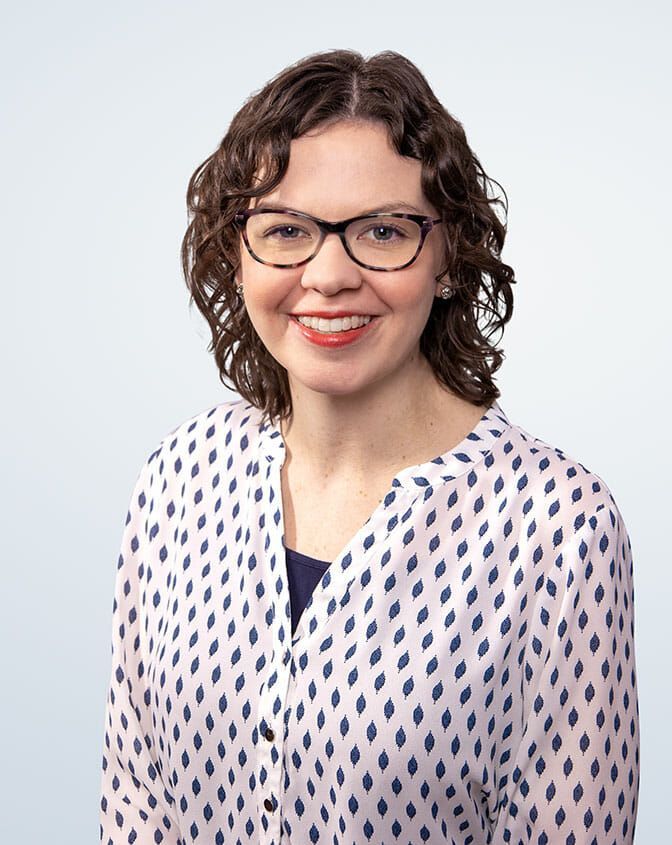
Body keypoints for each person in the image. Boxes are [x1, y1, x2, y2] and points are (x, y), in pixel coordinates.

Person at [99, 49, 640, 845]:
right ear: (237, 253)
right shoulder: (177, 477)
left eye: (382, 231)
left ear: (448, 256)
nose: (328, 275)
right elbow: (134, 802)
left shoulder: (560, 530)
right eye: (286, 230)